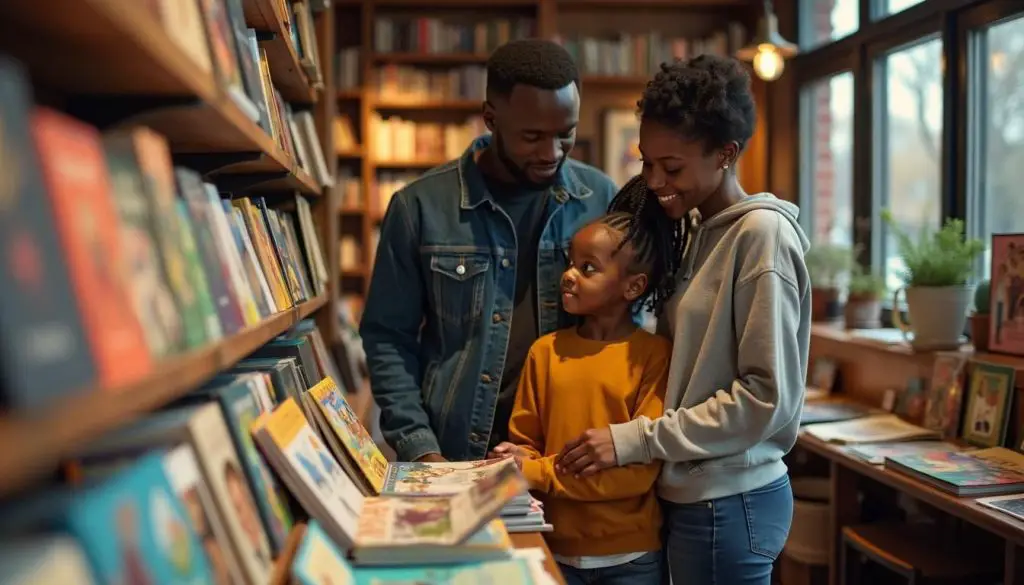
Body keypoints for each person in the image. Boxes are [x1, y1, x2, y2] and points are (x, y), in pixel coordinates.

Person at [555, 55, 811, 585]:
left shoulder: (761, 236)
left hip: (729, 499)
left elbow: (765, 399)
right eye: (647, 163)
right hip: (697, 493)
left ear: (726, 153)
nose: (653, 181)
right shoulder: (697, 229)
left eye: (671, 168)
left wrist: (636, 440)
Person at [359, 39, 618, 463]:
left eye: (565, 133)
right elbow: (389, 339)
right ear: (490, 119)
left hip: (568, 456)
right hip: (455, 455)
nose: (551, 153)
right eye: (532, 136)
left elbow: (629, 325)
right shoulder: (419, 207)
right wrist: (420, 449)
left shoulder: (602, 198)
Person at [494, 207, 673, 585]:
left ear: (633, 286)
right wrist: (514, 458)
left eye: (587, 268)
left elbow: (639, 474)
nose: (568, 276)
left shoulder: (653, 356)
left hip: (630, 558)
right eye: (570, 263)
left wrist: (535, 471)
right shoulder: (545, 351)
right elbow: (526, 442)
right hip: (552, 546)